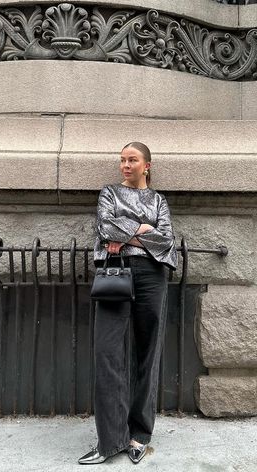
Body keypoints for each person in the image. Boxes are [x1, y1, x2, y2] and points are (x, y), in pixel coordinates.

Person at [78, 142, 178, 465]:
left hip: (152, 276)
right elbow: (105, 227)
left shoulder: (159, 201)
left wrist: (128, 235)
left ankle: (139, 435)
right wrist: (144, 231)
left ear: (147, 165)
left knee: (148, 353)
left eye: (132, 160)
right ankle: (109, 440)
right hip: (114, 273)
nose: (125, 165)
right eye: (122, 160)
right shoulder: (109, 193)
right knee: (107, 354)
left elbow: (166, 242)